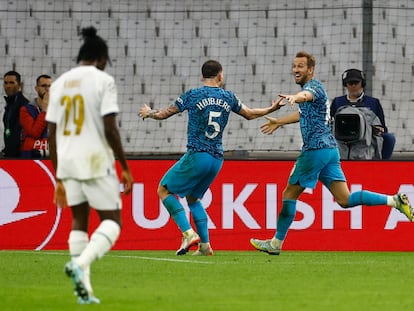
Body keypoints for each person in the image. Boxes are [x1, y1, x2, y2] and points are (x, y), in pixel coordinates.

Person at [250, 51, 413, 255]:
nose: (296, 70)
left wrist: (295, 97)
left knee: (289, 194)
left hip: (315, 151)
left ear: (310, 69)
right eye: (294, 66)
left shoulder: (313, 88)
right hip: (330, 151)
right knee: (344, 199)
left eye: (300, 66)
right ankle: (394, 200)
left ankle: (275, 243)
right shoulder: (312, 92)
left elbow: (305, 97)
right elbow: (303, 113)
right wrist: (279, 121)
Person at [139, 59, 284, 256]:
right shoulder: (228, 96)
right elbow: (250, 114)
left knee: (163, 189)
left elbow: (165, 114)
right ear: (220, 76)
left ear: (202, 76)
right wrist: (271, 109)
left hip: (198, 154)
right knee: (193, 198)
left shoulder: (192, 95)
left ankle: (188, 233)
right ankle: (205, 245)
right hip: (216, 159)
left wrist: (149, 113)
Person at [46, 26, 133, 304]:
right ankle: (80, 264)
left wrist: (58, 174)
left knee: (79, 220)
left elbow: (51, 133)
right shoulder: (102, 80)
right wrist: (125, 166)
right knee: (113, 221)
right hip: (95, 158)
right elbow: (110, 127)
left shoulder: (59, 83)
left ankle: (83, 290)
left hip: (67, 161)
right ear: (101, 58)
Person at [330, 68, 396, 160]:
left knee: (389, 138)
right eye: (350, 83)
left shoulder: (373, 102)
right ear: (346, 85)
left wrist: (378, 130)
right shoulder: (337, 102)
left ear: (362, 84)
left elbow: (383, 127)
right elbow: (330, 123)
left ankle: (382, 167)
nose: (353, 86)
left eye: (356, 83)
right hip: (341, 139)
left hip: (367, 137)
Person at [19, 74, 52, 158]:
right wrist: (44, 111)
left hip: (51, 154)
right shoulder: (25, 110)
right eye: (43, 86)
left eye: (50, 86)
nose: (47, 89)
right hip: (31, 156)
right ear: (36, 88)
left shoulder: (58, 109)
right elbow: (34, 133)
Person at [2, 70, 29, 157]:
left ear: (19, 85)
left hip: (19, 156)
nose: (8, 86)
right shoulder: (10, 104)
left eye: (11, 83)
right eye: (6, 83)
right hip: (11, 154)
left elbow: (20, 134)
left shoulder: (24, 105)